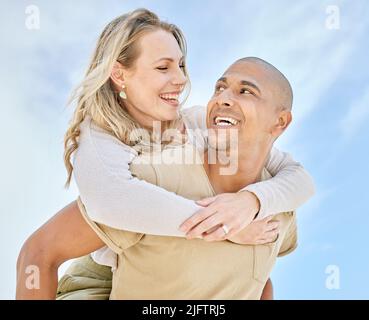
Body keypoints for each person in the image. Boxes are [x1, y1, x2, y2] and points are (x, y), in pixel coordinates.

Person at [16, 8, 314, 299]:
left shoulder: (197, 124)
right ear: (119, 74)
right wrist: (223, 227)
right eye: (163, 67)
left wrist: (250, 202)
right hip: (100, 272)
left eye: (181, 65)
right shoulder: (99, 139)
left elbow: (296, 177)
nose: (182, 79)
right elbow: (113, 202)